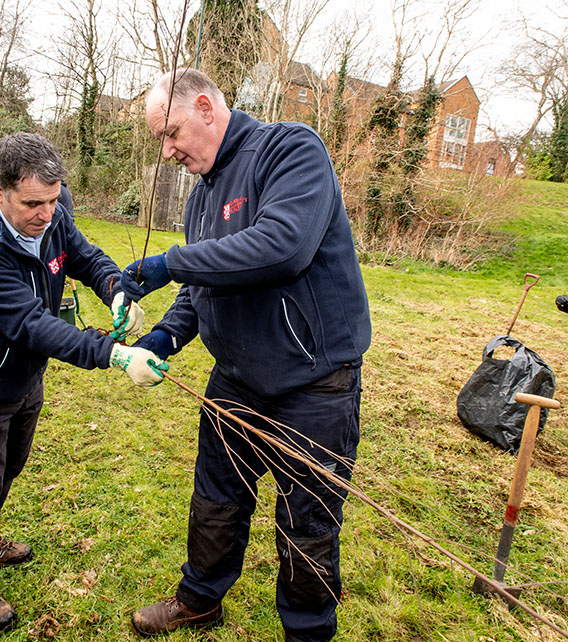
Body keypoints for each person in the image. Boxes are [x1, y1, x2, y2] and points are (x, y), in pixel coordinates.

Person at [121, 69, 371, 642]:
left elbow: (282, 247)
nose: (168, 151)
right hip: (235, 378)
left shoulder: (290, 150)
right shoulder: (203, 194)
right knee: (216, 495)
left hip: (313, 381)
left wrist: (167, 263)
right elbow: (204, 285)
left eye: (172, 133)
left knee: (307, 520)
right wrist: (162, 338)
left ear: (206, 108)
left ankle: (307, 631)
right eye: (161, 139)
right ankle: (200, 598)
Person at [0, 132, 163, 632]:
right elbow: (30, 323)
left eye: (54, 200)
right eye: (33, 203)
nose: (47, 214)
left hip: (23, 378)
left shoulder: (55, 213)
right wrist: (116, 354)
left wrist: (115, 291)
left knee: (9, 467)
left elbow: (85, 256)